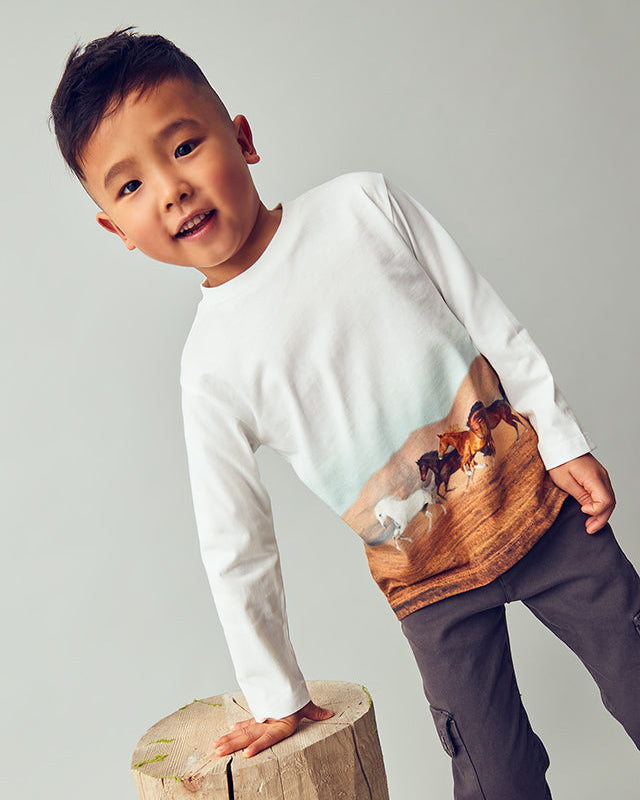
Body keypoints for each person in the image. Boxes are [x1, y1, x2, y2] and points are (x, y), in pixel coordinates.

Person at [49, 27, 640, 798]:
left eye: (184, 146)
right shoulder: (209, 368)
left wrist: (562, 441)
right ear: (114, 230)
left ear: (242, 138)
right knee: (498, 777)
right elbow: (236, 542)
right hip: (431, 593)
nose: (170, 189)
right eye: (129, 187)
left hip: (541, 509)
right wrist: (276, 695)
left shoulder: (364, 206)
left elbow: (489, 320)